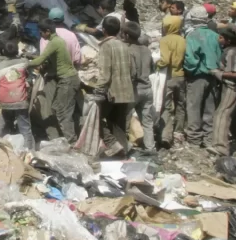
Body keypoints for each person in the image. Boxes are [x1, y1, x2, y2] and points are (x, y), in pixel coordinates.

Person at [29, 19, 83, 143]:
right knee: (59, 107)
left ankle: (71, 141)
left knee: (61, 110)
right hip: (69, 78)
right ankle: (69, 138)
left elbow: (40, 60)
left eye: (41, 33)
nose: (40, 35)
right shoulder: (58, 40)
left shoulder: (54, 42)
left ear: (48, 31)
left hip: (67, 80)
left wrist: (24, 64)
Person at [91, 17, 134, 157]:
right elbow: (132, 70)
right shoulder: (125, 45)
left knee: (97, 119)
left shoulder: (105, 46)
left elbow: (105, 72)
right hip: (126, 91)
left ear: (103, 30)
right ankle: (123, 154)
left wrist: (98, 90)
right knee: (119, 125)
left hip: (111, 92)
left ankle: (114, 145)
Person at [183, 5, 223, 147]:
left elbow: (190, 59)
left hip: (197, 76)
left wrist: (189, 71)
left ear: (193, 19)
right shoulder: (215, 35)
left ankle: (194, 139)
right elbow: (220, 56)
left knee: (194, 107)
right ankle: (209, 138)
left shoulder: (192, 36)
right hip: (213, 76)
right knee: (209, 108)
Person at [211, 26, 236, 155]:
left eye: (221, 37)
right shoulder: (228, 50)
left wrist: (217, 73)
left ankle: (221, 146)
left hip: (231, 87)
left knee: (222, 114)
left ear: (228, 40)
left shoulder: (232, 53)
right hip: (226, 86)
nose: (218, 39)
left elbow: (235, 74)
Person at [0, 40, 35, 149]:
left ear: (3, 51)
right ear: (17, 51)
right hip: (19, 99)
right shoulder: (24, 62)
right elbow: (29, 75)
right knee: (25, 128)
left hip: (5, 100)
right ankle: (28, 152)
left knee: (2, 121)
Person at [124, 21, 156, 151]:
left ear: (126, 35)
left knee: (125, 119)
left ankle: (125, 148)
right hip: (147, 88)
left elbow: (131, 73)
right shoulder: (147, 51)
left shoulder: (128, 50)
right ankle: (151, 148)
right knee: (147, 121)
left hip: (134, 89)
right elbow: (153, 69)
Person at [157, 15, 187, 147]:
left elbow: (165, 60)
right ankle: (179, 132)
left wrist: (155, 63)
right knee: (180, 105)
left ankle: (166, 135)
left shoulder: (164, 40)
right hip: (181, 76)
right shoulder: (183, 40)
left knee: (167, 106)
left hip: (168, 77)